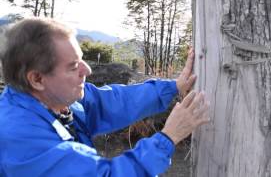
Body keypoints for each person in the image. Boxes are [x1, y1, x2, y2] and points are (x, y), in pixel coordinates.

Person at [0, 18, 209, 177]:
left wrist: (173, 87)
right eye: (74, 66)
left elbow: (116, 101)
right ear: (37, 79)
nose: (88, 70)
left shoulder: (58, 99)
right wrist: (168, 137)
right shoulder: (21, 140)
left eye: (82, 59)